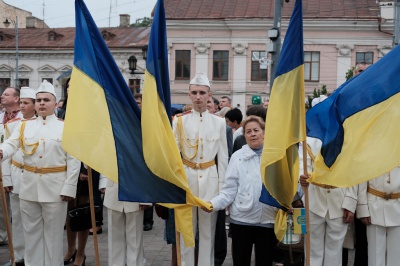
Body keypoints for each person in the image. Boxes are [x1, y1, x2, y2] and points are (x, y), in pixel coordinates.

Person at [0, 80, 81, 266]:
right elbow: (12, 144)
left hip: (55, 189)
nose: (42, 103)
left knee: (52, 238)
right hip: (29, 187)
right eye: (38, 100)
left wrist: (69, 187)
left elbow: (74, 160)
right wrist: (2, 151)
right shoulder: (23, 126)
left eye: (46, 100)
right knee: (31, 236)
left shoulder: (66, 127)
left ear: (54, 103)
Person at [203, 115, 278, 265]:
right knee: (240, 262)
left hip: (268, 221)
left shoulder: (275, 157)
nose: (253, 134)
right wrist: (212, 204)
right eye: (248, 131)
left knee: (265, 262)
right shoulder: (237, 157)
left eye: (256, 130)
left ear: (264, 132)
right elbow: (229, 190)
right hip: (242, 221)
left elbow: (285, 187)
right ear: (244, 136)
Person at [173, 72, 228, 266]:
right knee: (186, 233)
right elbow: (174, 157)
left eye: (202, 92)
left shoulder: (219, 122)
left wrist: (223, 192)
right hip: (187, 181)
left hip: (210, 182)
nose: (198, 97)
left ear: (209, 94)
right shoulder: (179, 121)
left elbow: (223, 159)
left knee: (208, 234)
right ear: (189, 94)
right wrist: (175, 186)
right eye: (194, 92)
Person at [300, 95, 357, 266]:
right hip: (313, 199)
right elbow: (301, 165)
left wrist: (350, 203)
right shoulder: (307, 140)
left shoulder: (347, 138)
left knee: (334, 252)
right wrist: (301, 177)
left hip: (339, 201)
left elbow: (353, 174)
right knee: (312, 251)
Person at [2, 87, 36, 265]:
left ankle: (33, 256)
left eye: (25, 103)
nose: (22, 106)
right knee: (16, 220)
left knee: (32, 221)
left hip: (34, 176)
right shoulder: (13, 124)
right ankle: (18, 256)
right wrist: (6, 178)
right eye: (21, 102)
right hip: (16, 174)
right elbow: (7, 151)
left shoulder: (41, 123)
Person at [100, 174, 149, 266]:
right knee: (114, 242)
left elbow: (147, 165)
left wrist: (146, 197)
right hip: (112, 188)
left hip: (136, 191)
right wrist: (103, 183)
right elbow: (104, 161)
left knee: (135, 242)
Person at [356, 167, 400, 266]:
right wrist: (362, 208)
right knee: (375, 258)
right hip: (374, 207)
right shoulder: (370, 150)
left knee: (397, 258)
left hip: (398, 206)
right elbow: (362, 178)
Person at [64, 164, 102, 266]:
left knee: (83, 211)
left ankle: (80, 253)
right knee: (69, 210)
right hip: (67, 166)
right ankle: (71, 249)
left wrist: (84, 170)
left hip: (86, 165)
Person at [0, 87, 22, 246]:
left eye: (6, 94)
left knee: (17, 209)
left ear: (16, 98)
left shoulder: (23, 120)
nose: (2, 96)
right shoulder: (1, 117)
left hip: (16, 168)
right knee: (1, 207)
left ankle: (19, 246)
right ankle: (2, 236)